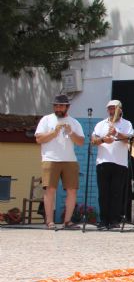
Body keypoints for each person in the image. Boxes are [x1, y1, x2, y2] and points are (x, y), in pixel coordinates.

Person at [34, 94, 85, 229]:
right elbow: (38, 139)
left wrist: (70, 133)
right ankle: (49, 221)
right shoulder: (46, 120)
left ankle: (67, 221)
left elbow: (81, 142)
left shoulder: (74, 122)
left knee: (72, 190)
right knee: (50, 190)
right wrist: (53, 133)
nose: (58, 108)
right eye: (56, 105)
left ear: (67, 107)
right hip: (50, 159)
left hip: (70, 160)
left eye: (61, 106)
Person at [91, 100, 133, 229]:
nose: (112, 111)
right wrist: (104, 139)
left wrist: (116, 133)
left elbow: (130, 139)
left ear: (120, 109)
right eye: (109, 108)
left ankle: (114, 220)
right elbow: (93, 141)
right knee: (103, 192)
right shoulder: (101, 124)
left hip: (120, 162)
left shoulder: (127, 124)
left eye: (114, 108)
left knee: (117, 192)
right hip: (103, 161)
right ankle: (104, 220)